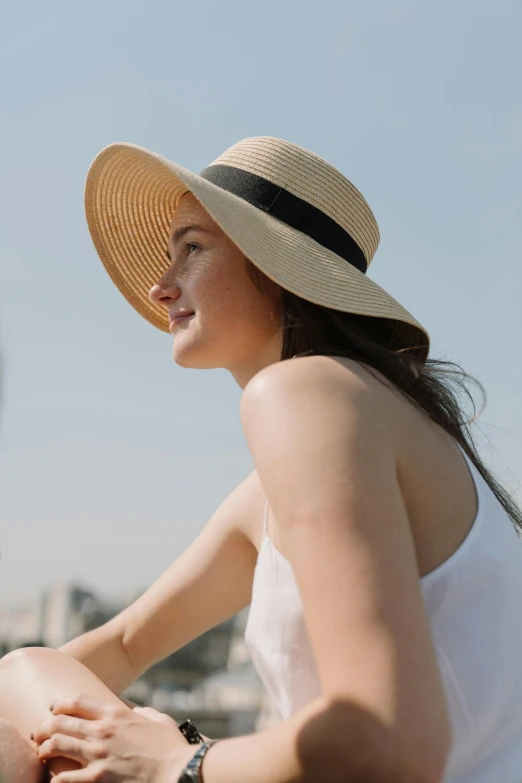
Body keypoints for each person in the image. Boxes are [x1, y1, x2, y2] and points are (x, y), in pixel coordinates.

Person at [1, 136, 521, 783]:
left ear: (277, 263)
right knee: (22, 677)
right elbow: (122, 644)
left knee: (21, 680)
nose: (162, 287)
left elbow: (393, 742)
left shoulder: (307, 394)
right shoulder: (365, 427)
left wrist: (180, 762)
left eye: (191, 248)